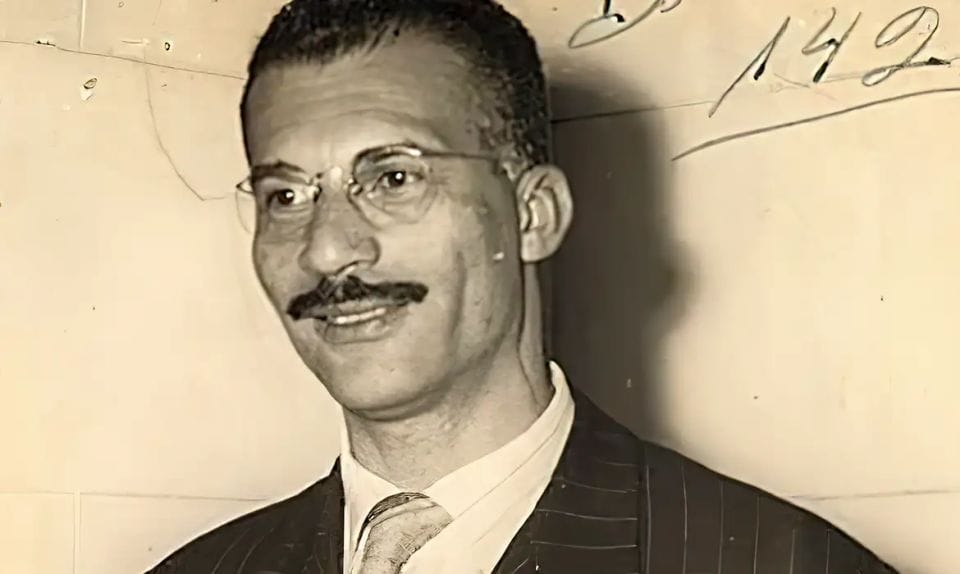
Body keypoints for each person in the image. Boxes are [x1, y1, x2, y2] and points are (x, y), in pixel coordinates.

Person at [145, 0, 898, 572]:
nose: (328, 247)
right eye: (285, 195)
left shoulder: (780, 561)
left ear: (533, 215)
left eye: (394, 178)